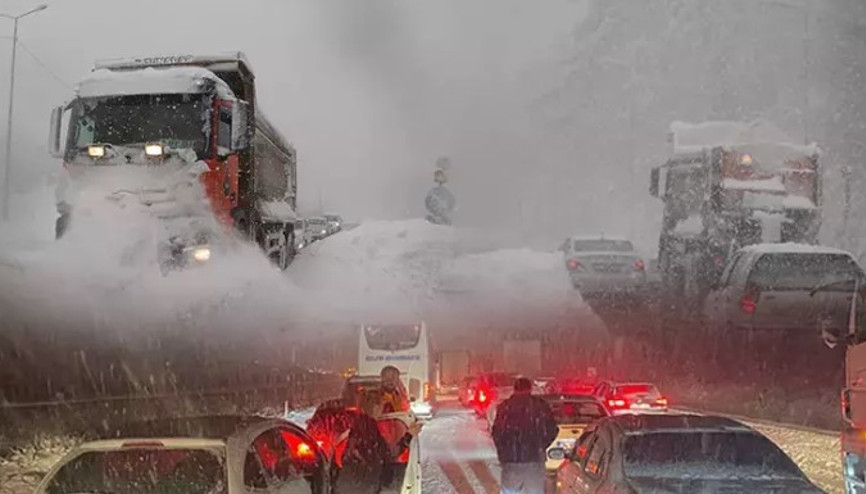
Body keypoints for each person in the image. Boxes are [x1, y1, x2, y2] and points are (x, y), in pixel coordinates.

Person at [491, 377, 558, 494]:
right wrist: (540, 446)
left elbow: (497, 433)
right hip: (534, 459)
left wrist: (504, 452)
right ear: (530, 389)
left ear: (515, 389)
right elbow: (552, 430)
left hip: (511, 460)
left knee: (510, 490)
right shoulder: (541, 406)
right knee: (534, 490)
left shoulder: (505, 407)